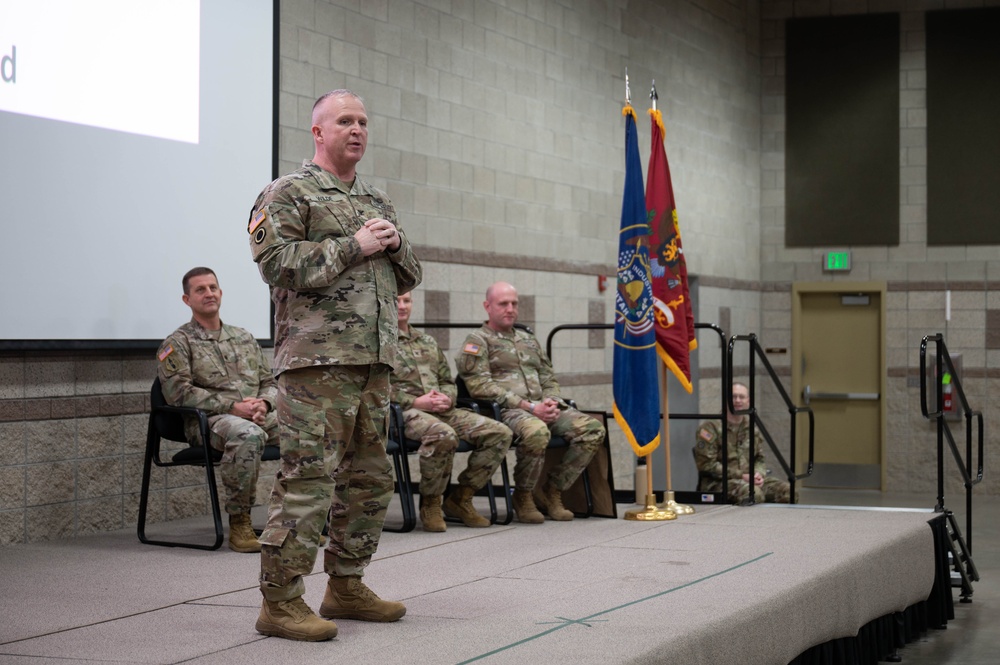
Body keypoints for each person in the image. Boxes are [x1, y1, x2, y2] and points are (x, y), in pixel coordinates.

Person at [248, 89, 422, 642]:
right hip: (315, 366)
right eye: (345, 120)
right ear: (318, 132)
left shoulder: (376, 199)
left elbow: (410, 275)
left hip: (373, 364)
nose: (358, 129)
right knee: (309, 482)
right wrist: (355, 245)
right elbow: (277, 265)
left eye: (364, 121)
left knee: (370, 481)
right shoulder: (287, 193)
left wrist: (394, 247)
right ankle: (280, 602)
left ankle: (345, 585)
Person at [455, 282, 605, 524]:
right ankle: (523, 495)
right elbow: (480, 386)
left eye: (514, 303)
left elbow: (548, 377)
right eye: (503, 304)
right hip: (507, 411)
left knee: (592, 429)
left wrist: (551, 402)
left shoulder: (529, 339)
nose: (510, 309)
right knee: (536, 432)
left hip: (541, 408)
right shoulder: (477, 341)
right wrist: (529, 407)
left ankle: (551, 490)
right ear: (487, 306)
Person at [156, 267, 277, 554]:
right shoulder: (178, 343)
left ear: (221, 293)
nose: (208, 293)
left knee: (305, 428)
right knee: (247, 435)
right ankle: (240, 522)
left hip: (253, 415)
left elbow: (269, 382)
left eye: (212, 287)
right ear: (187, 299)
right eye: (200, 289)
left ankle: (293, 521)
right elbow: (178, 394)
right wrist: (234, 407)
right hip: (209, 423)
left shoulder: (244, 337)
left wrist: (264, 404)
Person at [391, 292, 512, 532]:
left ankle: (460, 497)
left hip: (441, 409)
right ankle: (431, 503)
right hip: (402, 413)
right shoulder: (378, 342)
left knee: (499, 432)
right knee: (443, 435)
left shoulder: (426, 341)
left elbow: (447, 380)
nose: (402, 306)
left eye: (407, 300)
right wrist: (416, 402)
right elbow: (373, 388)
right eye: (396, 300)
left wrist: (448, 397)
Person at [693, 381, 792, 504]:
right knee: (753, 493)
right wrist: (742, 476)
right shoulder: (710, 428)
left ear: (748, 401)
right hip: (718, 483)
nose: (738, 400)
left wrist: (758, 474)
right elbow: (706, 465)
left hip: (749, 480)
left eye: (742, 397)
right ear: (726, 400)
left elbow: (759, 458)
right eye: (733, 396)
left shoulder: (751, 428)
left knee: (788, 491)